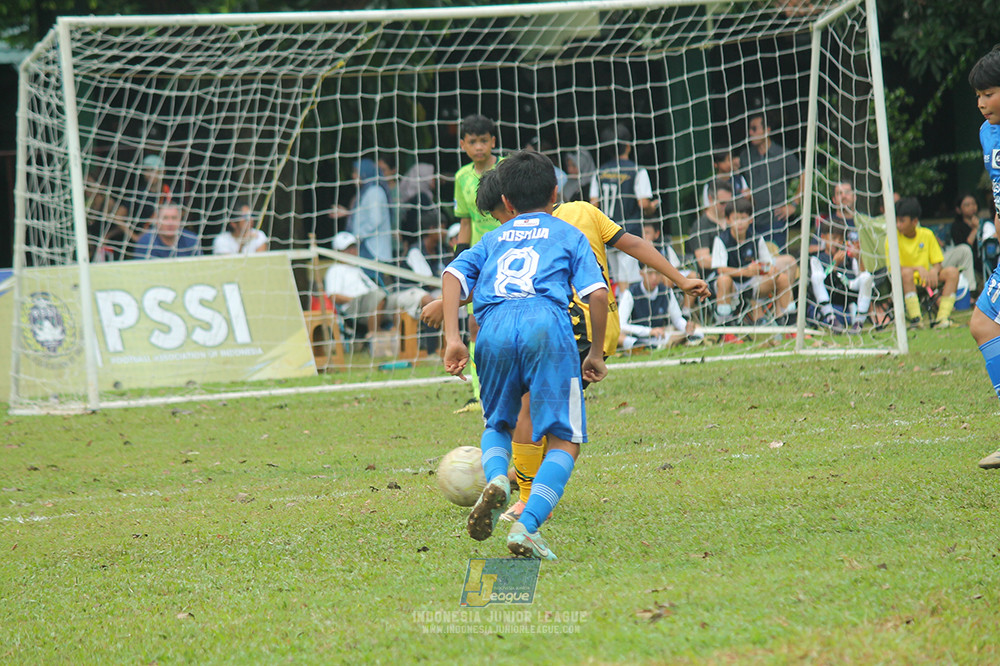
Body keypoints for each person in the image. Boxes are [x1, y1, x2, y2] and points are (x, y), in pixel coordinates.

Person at [425, 167, 709, 523]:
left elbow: (496, 278)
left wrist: (451, 318)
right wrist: (680, 279)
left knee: (519, 416)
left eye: (498, 215)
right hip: (581, 331)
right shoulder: (581, 215)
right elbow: (628, 248)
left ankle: (511, 485)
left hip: (528, 329)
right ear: (554, 192)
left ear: (507, 203)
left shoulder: (501, 236)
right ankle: (524, 500)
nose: (501, 221)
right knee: (554, 426)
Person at [440, 150, 610, 560]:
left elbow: (451, 275)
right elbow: (597, 293)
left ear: (508, 204)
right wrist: (597, 353)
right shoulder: (567, 233)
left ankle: (497, 479)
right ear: (556, 193)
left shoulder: (492, 238)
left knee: (497, 423)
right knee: (565, 440)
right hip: (546, 326)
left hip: (493, 328)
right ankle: (527, 525)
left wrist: (453, 339)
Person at [963, 46, 1000, 468]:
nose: (980, 102)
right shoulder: (987, 133)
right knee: (983, 322)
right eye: (977, 95)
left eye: (988, 92)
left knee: (984, 321)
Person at [452, 114, 502, 413]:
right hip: (481, 259)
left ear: (493, 142)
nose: (479, 147)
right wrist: (459, 258)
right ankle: (478, 391)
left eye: (484, 140)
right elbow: (466, 222)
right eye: (473, 142)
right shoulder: (461, 178)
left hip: (510, 251)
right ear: (463, 145)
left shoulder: (507, 168)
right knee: (474, 324)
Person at [590, 123, 659, 290]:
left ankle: (619, 312)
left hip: (605, 233)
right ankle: (625, 315)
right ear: (628, 145)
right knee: (628, 285)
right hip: (629, 233)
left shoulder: (599, 173)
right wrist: (653, 206)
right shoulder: (637, 171)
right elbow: (643, 203)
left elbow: (593, 204)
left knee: (612, 279)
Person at [711, 197, 793, 329]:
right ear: (728, 220)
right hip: (731, 285)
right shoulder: (721, 239)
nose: (740, 223)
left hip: (752, 284)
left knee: (782, 278)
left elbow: (768, 264)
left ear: (750, 220)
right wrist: (745, 271)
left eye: (744, 218)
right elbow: (720, 269)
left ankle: (788, 320)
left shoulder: (756, 238)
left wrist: (764, 269)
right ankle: (725, 325)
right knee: (723, 280)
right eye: (736, 219)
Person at [889, 197, 959, 329]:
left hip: (927, 279)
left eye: (902, 221)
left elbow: (938, 262)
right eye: (896, 221)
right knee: (907, 273)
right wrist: (917, 268)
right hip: (905, 280)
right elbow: (892, 267)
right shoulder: (892, 238)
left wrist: (934, 270)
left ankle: (942, 318)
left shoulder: (927, 235)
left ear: (915, 221)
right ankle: (917, 320)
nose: (898, 225)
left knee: (952, 272)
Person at [738, 111, 803, 250]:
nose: (750, 132)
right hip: (751, 221)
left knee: (776, 261)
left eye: (754, 128)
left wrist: (794, 205)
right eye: (749, 129)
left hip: (776, 221)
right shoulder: (745, 156)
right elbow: (736, 177)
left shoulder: (783, 154)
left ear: (767, 130)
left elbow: (804, 176)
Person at [808, 219, 874, 333]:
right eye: (833, 238)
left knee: (867, 277)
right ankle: (832, 320)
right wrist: (834, 264)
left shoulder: (848, 257)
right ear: (823, 237)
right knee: (817, 277)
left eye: (840, 239)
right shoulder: (817, 258)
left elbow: (860, 276)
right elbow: (821, 280)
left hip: (847, 291)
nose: (837, 242)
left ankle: (858, 323)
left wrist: (858, 258)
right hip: (829, 292)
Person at [325, 231, 385, 342]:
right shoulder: (335, 269)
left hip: (375, 300)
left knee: (396, 299)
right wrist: (355, 299)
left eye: (354, 247)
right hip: (353, 307)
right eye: (348, 249)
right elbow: (333, 296)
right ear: (338, 252)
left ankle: (399, 341)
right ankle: (374, 339)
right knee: (378, 296)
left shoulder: (359, 269)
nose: (352, 252)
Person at [345, 158, 394, 270]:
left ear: (364, 172)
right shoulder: (367, 192)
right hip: (368, 247)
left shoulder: (374, 192)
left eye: (356, 172)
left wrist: (357, 236)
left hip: (373, 250)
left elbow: (375, 220)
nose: (353, 176)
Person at [689, 179, 734, 274]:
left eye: (729, 203)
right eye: (722, 203)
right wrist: (734, 265)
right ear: (710, 199)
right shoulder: (701, 225)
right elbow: (703, 261)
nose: (726, 206)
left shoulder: (734, 220)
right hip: (713, 277)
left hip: (738, 274)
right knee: (724, 281)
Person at [944, 192, 987, 292]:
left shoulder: (984, 223)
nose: (972, 207)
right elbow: (964, 249)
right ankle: (971, 291)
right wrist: (974, 230)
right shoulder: (956, 227)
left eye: (973, 204)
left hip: (983, 262)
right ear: (958, 210)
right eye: (967, 205)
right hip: (968, 267)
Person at [84, 171, 131, 262]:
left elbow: (121, 225)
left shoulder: (108, 203)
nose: (86, 189)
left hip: (112, 247)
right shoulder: (88, 204)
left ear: (100, 185)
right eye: (85, 186)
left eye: (89, 185)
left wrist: (108, 236)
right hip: (96, 248)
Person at [397, 163, 440, 254]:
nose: (434, 179)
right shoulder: (422, 198)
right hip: (420, 246)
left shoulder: (410, 198)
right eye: (432, 175)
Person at [131, 203, 200, 259]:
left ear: (180, 220)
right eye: (165, 218)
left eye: (174, 218)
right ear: (157, 221)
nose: (170, 222)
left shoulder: (192, 240)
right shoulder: (145, 242)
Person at [700, 145, 749, 210]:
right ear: (715, 164)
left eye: (730, 159)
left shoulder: (739, 179)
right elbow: (707, 210)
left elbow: (748, 202)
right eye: (725, 160)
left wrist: (748, 197)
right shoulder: (709, 185)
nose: (729, 163)